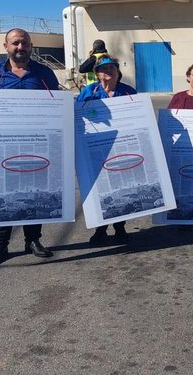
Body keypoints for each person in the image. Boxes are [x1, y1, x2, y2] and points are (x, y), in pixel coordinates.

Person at [0, 28, 58, 266]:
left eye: (24, 43)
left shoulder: (44, 73)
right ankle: (0, 244)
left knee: (34, 192)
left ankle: (32, 240)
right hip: (3, 146)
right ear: (6, 46)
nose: (20, 47)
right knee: (3, 194)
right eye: (15, 43)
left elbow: (56, 105)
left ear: (31, 46)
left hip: (37, 144)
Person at [76, 56, 138, 245]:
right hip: (95, 148)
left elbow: (139, 116)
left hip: (121, 147)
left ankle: (120, 227)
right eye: (103, 69)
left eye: (112, 68)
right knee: (99, 190)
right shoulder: (89, 92)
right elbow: (76, 116)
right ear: (97, 74)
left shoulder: (128, 92)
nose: (108, 72)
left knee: (121, 187)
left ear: (118, 72)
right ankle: (100, 229)